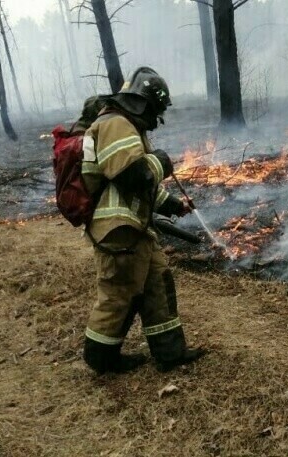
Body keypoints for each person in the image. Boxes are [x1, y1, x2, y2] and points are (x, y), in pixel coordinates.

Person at [80, 67, 205, 374]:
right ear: (144, 103)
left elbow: (142, 186)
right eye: (156, 112)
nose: (156, 121)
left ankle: (170, 353)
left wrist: (173, 205)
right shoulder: (114, 124)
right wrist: (161, 161)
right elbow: (132, 176)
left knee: (158, 286)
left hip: (137, 230)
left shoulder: (128, 128)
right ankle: (101, 358)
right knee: (119, 294)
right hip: (118, 231)